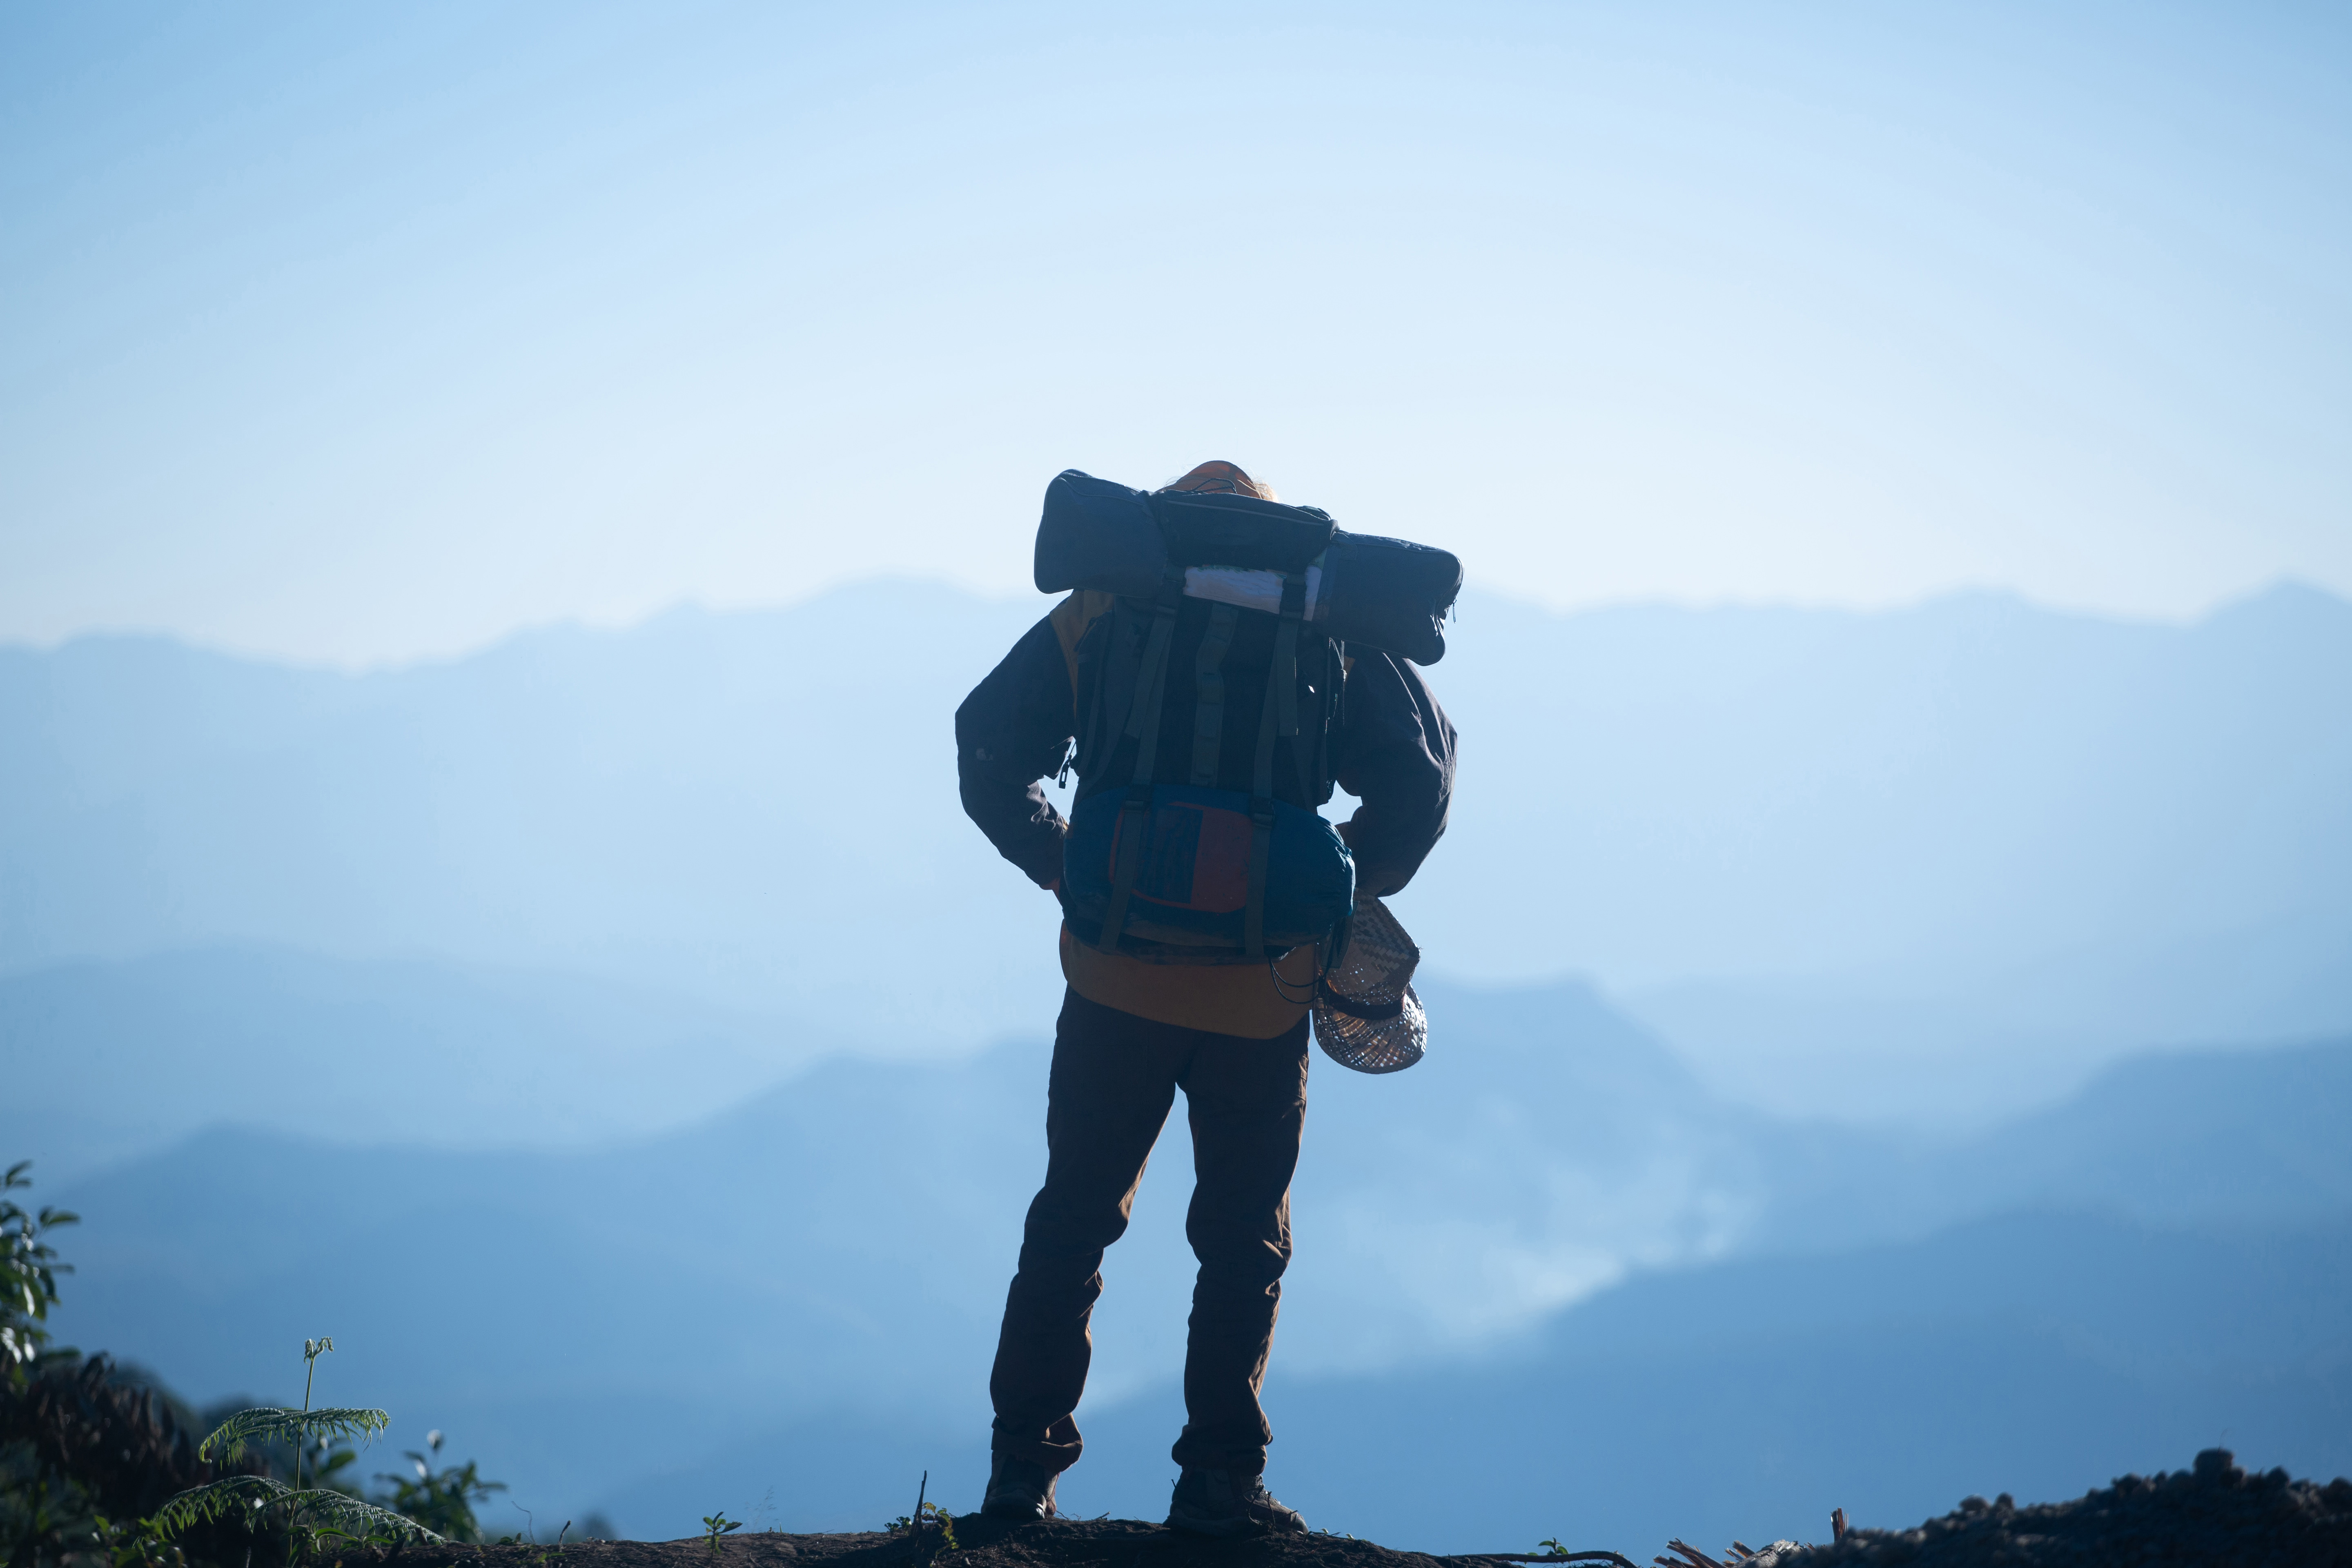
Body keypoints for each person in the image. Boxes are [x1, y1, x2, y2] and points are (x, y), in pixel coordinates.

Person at [954, 460, 1457, 1533]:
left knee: (1072, 1223)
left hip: (1113, 980)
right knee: (1242, 1242)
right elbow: (1421, 782)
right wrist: (1332, 887)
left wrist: (1064, 864)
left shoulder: (1104, 608)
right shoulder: (1327, 624)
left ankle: (1019, 1476)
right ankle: (1221, 1482)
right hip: (1263, 992)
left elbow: (986, 746)